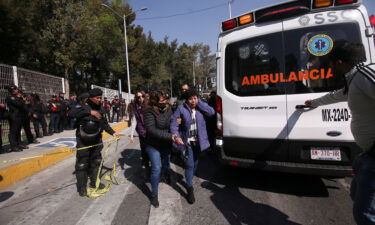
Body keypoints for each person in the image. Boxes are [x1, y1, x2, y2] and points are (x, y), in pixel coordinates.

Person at [304, 41, 375, 225]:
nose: (329, 67)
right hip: (367, 155)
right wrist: (314, 103)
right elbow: (337, 95)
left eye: (331, 63)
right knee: (356, 192)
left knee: (365, 213)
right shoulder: (354, 79)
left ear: (340, 62)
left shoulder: (365, 74)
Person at [70, 88, 119, 197]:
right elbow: (72, 112)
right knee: (82, 163)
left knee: (96, 161)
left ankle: (94, 182)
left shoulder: (100, 108)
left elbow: (104, 123)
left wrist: (113, 133)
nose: (99, 100)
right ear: (91, 98)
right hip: (83, 140)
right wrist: (90, 112)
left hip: (96, 140)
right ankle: (81, 187)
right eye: (97, 98)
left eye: (100, 98)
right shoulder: (82, 105)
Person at [170, 89, 215, 204]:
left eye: (195, 98)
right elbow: (174, 124)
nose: (193, 101)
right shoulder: (181, 108)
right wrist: (176, 136)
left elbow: (212, 112)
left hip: (199, 142)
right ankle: (189, 188)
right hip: (187, 142)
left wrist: (199, 103)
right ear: (186, 99)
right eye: (191, 99)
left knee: (195, 163)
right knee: (189, 164)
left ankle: (189, 176)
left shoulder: (201, 107)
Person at [143, 90, 174, 208]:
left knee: (166, 165)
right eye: (161, 101)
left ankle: (166, 175)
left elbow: (173, 122)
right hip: (153, 145)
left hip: (166, 144)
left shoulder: (169, 109)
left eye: (165, 100)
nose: (164, 102)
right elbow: (151, 130)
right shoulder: (148, 112)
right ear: (154, 101)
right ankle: (154, 194)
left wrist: (178, 122)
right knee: (156, 168)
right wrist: (170, 136)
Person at [130, 91, 149, 169]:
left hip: (150, 132)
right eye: (138, 97)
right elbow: (134, 121)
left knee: (150, 149)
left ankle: (149, 160)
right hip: (141, 132)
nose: (140, 98)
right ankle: (145, 162)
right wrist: (131, 135)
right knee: (143, 149)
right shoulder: (136, 107)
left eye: (142, 96)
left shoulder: (149, 106)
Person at [6, 85, 26, 152]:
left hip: (19, 115)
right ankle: (13, 146)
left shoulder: (16, 97)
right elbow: (19, 104)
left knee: (18, 130)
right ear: (13, 90)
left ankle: (18, 144)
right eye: (15, 89)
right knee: (13, 131)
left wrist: (20, 98)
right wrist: (22, 99)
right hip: (14, 116)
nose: (17, 90)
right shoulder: (10, 97)